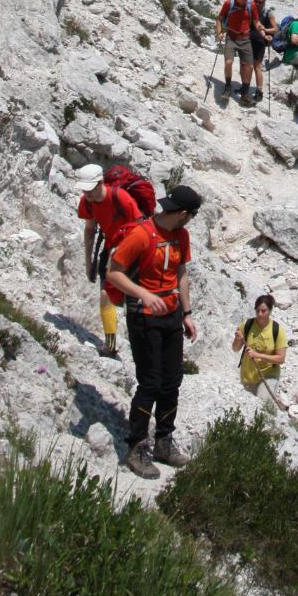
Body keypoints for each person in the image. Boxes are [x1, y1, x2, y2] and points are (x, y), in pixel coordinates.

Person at [105, 184, 202, 478]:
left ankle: (163, 441)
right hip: (143, 316)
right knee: (150, 383)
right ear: (184, 213)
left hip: (171, 314)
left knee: (172, 381)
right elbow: (113, 271)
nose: (190, 220)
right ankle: (136, 446)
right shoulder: (141, 235)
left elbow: (181, 274)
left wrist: (187, 313)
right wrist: (143, 294)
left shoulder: (181, 236)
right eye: (191, 215)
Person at [76, 163, 142, 359]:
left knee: (133, 303)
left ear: (100, 183)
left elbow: (140, 228)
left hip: (131, 250)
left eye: (89, 188)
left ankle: (140, 346)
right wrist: (89, 263)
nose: (86, 193)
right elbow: (89, 230)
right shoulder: (87, 202)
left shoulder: (120, 197)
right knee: (106, 295)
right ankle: (111, 344)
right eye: (83, 189)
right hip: (110, 249)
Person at [232, 293, 287, 408]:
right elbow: (235, 349)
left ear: (270, 311)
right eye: (257, 311)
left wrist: (258, 355)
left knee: (263, 406)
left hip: (268, 376)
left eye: (263, 311)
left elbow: (280, 358)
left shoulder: (277, 330)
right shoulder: (246, 325)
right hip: (247, 377)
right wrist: (238, 339)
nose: (259, 314)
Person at [216, 0, 267, 104]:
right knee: (228, 61)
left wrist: (263, 30)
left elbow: (256, 22)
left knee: (249, 66)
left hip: (245, 38)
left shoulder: (251, 6)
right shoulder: (229, 4)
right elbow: (219, 19)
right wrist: (219, 32)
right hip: (231, 37)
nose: (244, 1)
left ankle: (245, 93)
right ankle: (228, 87)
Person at [250, 0, 276, 103]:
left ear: (264, 2)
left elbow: (276, 29)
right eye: (256, 1)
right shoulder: (250, 9)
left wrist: (264, 30)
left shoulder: (268, 13)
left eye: (260, 2)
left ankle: (259, 91)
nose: (258, 4)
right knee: (246, 65)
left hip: (260, 42)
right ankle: (244, 87)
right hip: (248, 40)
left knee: (257, 67)